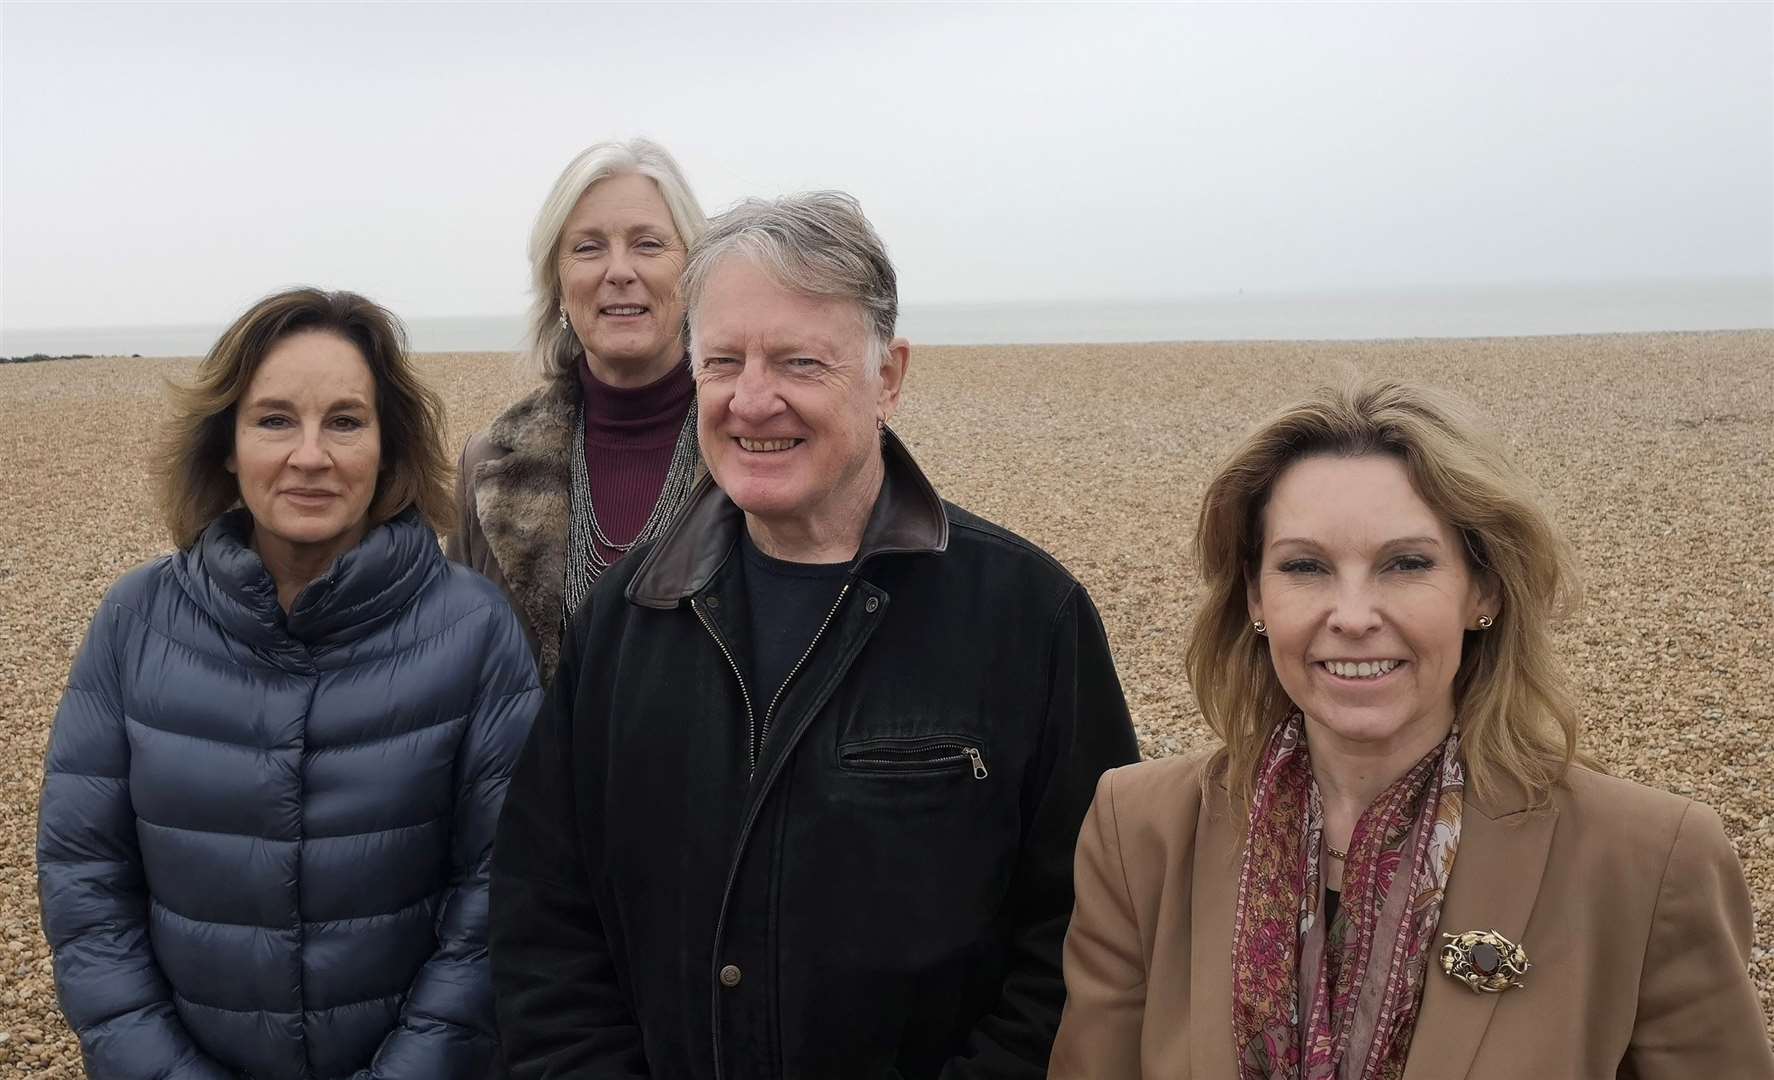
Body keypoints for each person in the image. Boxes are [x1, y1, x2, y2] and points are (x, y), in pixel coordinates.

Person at [490, 193, 1140, 1078]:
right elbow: (546, 923)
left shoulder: (1030, 617)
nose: (753, 401)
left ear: (890, 377)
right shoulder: (625, 616)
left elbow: (1085, 941)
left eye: (799, 362)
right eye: (723, 362)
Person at [1049, 377, 1774, 1079]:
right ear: (1254, 597)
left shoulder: (1646, 859)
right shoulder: (1141, 831)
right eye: (1305, 566)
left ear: (1483, 589)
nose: (1355, 615)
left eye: (1405, 564)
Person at [36, 288, 542, 1079]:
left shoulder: (472, 628)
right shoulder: (136, 621)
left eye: (345, 420)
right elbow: (85, 884)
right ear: (228, 445)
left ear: (387, 446)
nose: (311, 454)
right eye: (275, 419)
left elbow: (498, 894)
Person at [450, 136, 708, 682]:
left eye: (649, 244)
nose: (618, 270)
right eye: (588, 247)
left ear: (693, 271)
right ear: (558, 285)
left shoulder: (754, 443)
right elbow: (456, 660)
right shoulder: (489, 461)